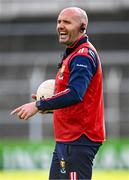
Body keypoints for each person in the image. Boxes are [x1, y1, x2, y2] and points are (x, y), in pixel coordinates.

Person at [11, 7, 105, 180]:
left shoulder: (82, 56)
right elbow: (77, 98)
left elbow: (75, 93)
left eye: (67, 22)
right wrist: (49, 105)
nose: (60, 26)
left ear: (82, 27)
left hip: (78, 138)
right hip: (68, 139)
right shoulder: (72, 54)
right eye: (59, 21)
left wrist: (38, 105)